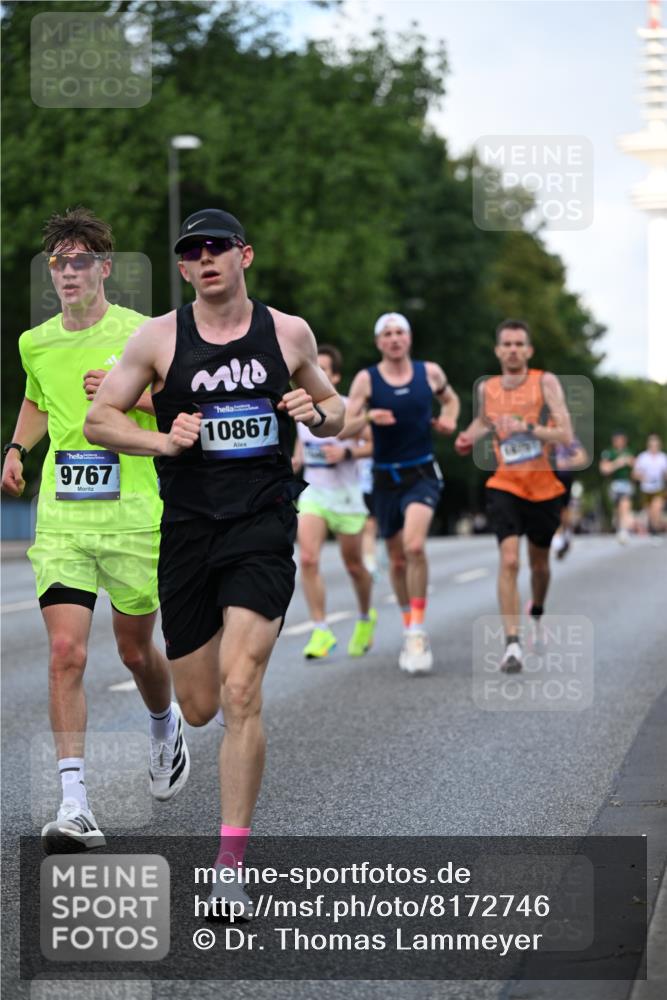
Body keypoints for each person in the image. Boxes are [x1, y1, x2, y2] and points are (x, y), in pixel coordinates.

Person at [84, 208, 344, 916]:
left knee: (240, 691)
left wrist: (316, 413)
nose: (204, 259)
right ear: (182, 266)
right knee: (199, 706)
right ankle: (171, 728)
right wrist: (164, 443)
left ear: (244, 256)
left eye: (217, 248)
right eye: (191, 251)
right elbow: (98, 419)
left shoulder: (286, 333)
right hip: (189, 532)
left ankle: (230, 866)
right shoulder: (159, 337)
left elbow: (338, 407)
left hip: (261, 523)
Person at [1, 207, 188, 854]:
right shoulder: (37, 341)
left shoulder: (145, 333)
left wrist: (132, 397)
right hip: (64, 519)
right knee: (66, 653)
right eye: (59, 261)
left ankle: (164, 724)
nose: (70, 271)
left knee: (137, 651)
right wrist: (17, 449)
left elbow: (184, 407)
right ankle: (74, 802)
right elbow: (35, 397)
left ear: (105, 268)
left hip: (135, 517)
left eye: (82, 260)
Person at [455, 319, 573, 673]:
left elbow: (565, 433)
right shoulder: (488, 388)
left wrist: (529, 427)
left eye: (519, 344)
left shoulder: (544, 381)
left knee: (539, 564)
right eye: (506, 344)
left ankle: (537, 607)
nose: (512, 350)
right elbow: (485, 422)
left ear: (529, 350)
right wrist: (466, 437)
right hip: (505, 484)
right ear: (497, 350)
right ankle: (512, 644)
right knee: (509, 560)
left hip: (543, 487)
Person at [346, 312, 459, 674]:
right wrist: (368, 419)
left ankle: (416, 631)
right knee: (396, 560)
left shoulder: (430, 373)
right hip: (384, 478)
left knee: (414, 546)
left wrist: (451, 421)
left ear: (409, 339)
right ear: (379, 342)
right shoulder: (367, 379)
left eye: (400, 333)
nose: (394, 339)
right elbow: (344, 426)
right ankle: (408, 618)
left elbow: (451, 401)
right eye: (388, 334)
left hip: (422, 473)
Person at [292, 344, 377, 659]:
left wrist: (347, 452)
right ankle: (321, 631)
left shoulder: (347, 408)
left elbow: (373, 445)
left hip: (346, 494)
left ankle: (366, 617)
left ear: (336, 376)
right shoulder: (301, 409)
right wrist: (295, 462)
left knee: (354, 565)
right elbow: (303, 447)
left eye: (325, 369)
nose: (318, 374)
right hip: (315, 491)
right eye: (314, 368)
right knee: (309, 559)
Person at [551, 437, 589, 559]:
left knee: (563, 509)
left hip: (563, 477)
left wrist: (565, 462)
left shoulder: (567, 438)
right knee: (553, 507)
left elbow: (582, 458)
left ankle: (565, 534)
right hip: (546, 478)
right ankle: (557, 537)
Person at [599, 431, 635, 543]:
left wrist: (631, 463)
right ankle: (619, 527)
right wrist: (618, 463)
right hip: (614, 483)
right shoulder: (608, 453)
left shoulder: (629, 452)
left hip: (627, 483)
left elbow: (637, 469)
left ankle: (624, 530)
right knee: (617, 508)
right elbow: (604, 470)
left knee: (625, 504)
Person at [632, 434, 667, 541]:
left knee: (657, 509)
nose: (654, 447)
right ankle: (653, 528)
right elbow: (635, 474)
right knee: (650, 512)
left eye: (656, 445)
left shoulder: (663, 457)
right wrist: (642, 477)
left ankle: (655, 531)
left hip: (659, 488)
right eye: (652, 445)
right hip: (646, 489)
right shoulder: (643, 457)